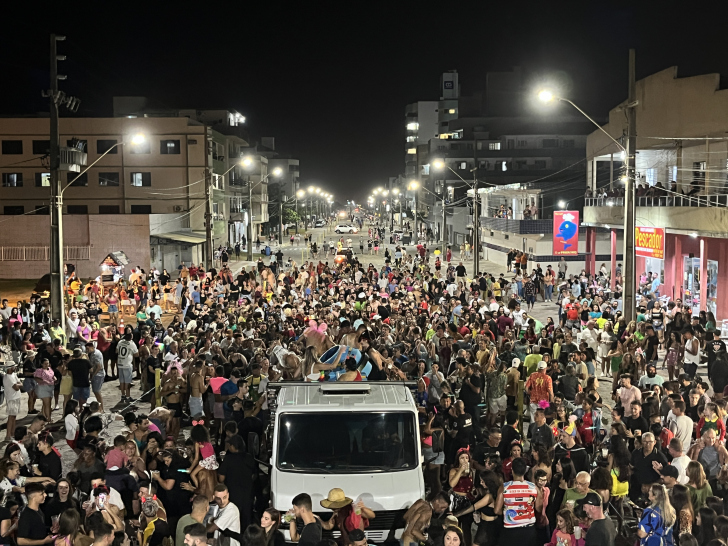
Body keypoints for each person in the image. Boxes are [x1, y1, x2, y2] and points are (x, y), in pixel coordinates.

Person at [495, 457, 541, 545]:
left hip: (510, 530)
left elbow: (497, 510)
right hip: (529, 530)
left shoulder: (504, 487)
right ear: (525, 470)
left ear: (512, 470)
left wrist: (507, 512)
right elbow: (539, 508)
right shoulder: (534, 487)